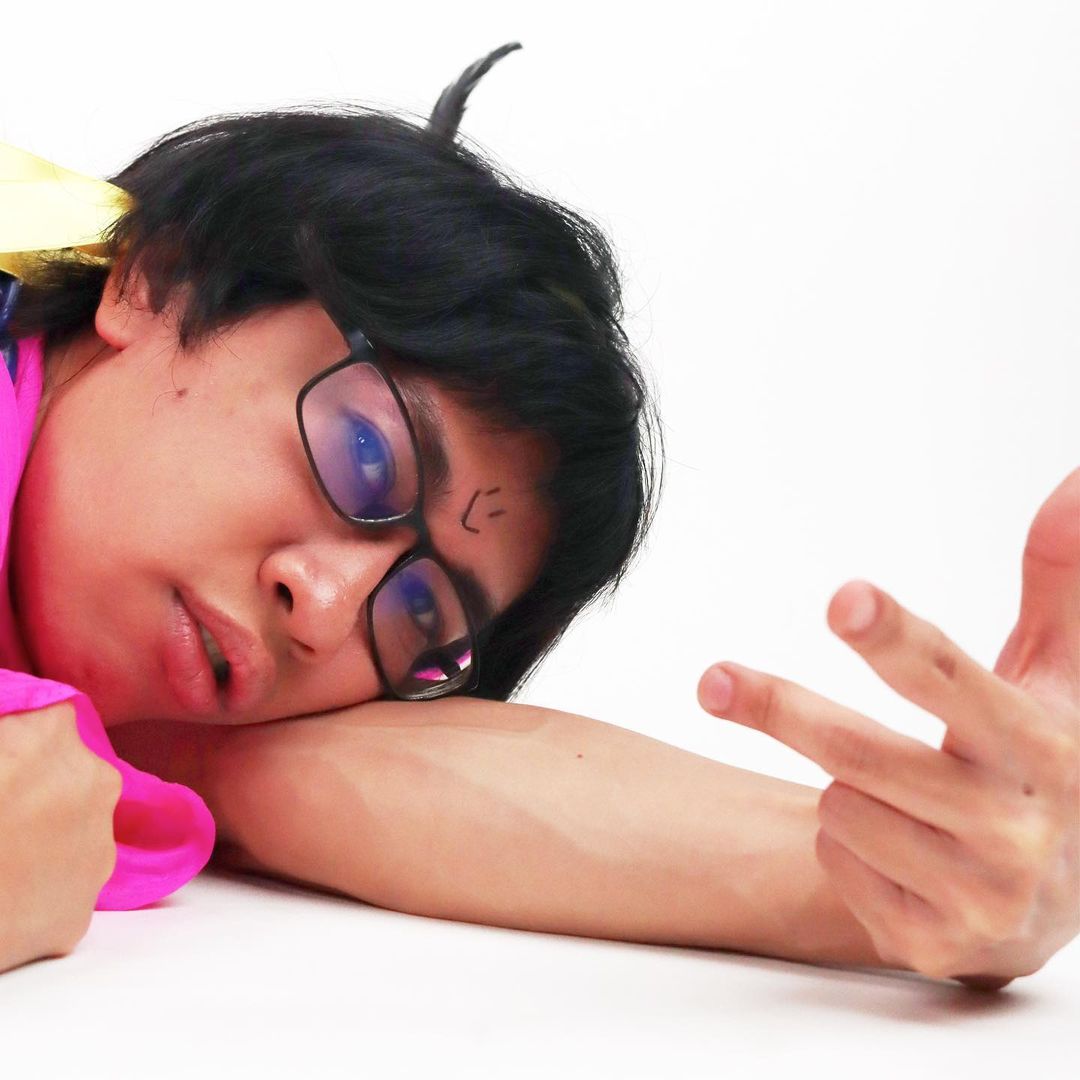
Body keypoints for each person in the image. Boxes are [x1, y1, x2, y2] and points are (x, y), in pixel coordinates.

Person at [0, 44, 1076, 990]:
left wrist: (931, 873)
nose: (324, 609)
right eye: (365, 456)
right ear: (163, 281)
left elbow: (358, 775)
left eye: (420, 617)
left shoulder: (177, 717)